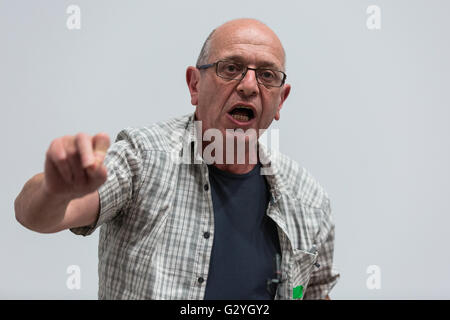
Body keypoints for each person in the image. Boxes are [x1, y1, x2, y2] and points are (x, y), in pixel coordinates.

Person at [14, 18, 340, 300]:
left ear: (280, 100)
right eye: (231, 68)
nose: (249, 86)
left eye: (267, 75)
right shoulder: (142, 157)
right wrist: (55, 191)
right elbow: (38, 215)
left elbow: (315, 290)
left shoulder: (308, 199)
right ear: (195, 84)